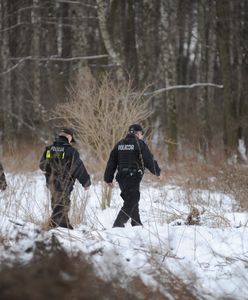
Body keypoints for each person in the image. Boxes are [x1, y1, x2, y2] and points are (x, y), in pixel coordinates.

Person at [104, 124, 161, 228]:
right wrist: (157, 172)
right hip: (133, 176)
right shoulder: (139, 144)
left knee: (130, 199)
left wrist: (108, 178)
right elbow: (149, 160)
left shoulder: (119, 144)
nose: (141, 136)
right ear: (138, 133)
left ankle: (136, 223)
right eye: (141, 134)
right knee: (133, 199)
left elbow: (111, 162)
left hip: (121, 177)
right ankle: (118, 225)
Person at [39, 128, 91, 229]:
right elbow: (78, 167)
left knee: (57, 202)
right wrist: (86, 182)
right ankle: (50, 226)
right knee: (63, 204)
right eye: (71, 138)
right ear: (68, 136)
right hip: (65, 182)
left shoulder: (49, 149)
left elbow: (42, 166)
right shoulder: (71, 151)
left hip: (51, 181)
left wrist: (52, 167)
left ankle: (65, 225)